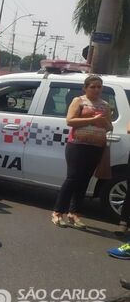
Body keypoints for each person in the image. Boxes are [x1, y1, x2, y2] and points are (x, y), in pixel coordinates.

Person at [51, 75, 112, 229]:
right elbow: (70, 121)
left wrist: (104, 122)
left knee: (84, 181)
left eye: (99, 87)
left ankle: (75, 214)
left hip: (96, 147)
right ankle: (58, 212)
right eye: (93, 86)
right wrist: (92, 120)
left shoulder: (105, 105)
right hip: (77, 145)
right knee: (72, 179)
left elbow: (109, 127)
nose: (97, 89)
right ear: (85, 88)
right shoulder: (79, 101)